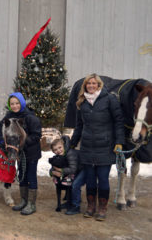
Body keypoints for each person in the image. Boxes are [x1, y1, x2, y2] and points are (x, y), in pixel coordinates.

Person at [70, 73, 124, 221]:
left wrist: (119, 141)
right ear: (85, 86)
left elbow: (118, 121)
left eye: (94, 83)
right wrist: (73, 142)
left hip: (105, 147)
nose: (91, 86)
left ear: (99, 85)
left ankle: (102, 208)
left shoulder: (110, 99)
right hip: (87, 147)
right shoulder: (82, 103)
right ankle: (90, 206)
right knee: (91, 179)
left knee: (103, 179)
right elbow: (79, 125)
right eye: (89, 83)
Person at [0, 92, 42, 215]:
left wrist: (22, 144)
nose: (15, 106)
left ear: (21, 103)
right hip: (18, 154)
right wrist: (1, 141)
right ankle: (23, 200)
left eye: (17, 103)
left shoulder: (30, 117)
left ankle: (31, 204)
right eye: (12, 104)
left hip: (30, 153)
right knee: (22, 176)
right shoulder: (8, 117)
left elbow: (36, 135)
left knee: (31, 176)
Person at [49, 136, 78, 210]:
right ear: (53, 151)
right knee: (58, 183)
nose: (58, 150)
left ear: (63, 146)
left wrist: (61, 171)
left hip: (78, 170)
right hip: (66, 172)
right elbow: (52, 168)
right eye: (55, 150)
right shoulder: (57, 157)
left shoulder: (70, 153)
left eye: (60, 147)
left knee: (72, 185)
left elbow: (73, 169)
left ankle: (72, 203)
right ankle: (60, 204)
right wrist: (52, 172)